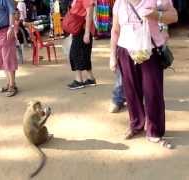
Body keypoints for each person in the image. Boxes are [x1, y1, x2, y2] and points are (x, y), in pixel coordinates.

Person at [110, 0, 178, 147]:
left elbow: (174, 16)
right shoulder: (119, 3)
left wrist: (155, 15)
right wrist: (112, 56)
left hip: (151, 51)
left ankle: (155, 131)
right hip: (125, 51)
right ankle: (136, 124)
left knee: (153, 92)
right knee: (131, 92)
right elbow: (115, 30)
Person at [67, 0, 97, 90]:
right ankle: (90, 78)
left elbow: (89, 13)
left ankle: (79, 80)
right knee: (84, 53)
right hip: (79, 28)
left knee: (75, 53)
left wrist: (87, 32)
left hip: (83, 29)